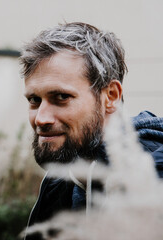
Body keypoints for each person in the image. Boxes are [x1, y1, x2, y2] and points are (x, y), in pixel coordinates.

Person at [19, 22, 163, 239]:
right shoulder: (59, 181)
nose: (41, 118)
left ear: (111, 96)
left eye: (61, 97)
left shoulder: (152, 182)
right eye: (34, 100)